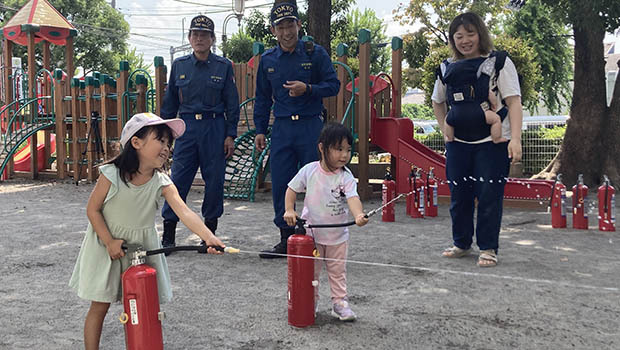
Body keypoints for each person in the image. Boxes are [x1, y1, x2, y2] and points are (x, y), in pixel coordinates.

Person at [69, 113, 225, 350]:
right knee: (99, 306)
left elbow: (184, 212)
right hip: (108, 246)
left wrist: (208, 237)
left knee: (140, 307)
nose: (166, 147)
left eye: (168, 143)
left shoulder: (161, 181)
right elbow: (92, 210)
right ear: (136, 142)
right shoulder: (112, 174)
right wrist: (109, 241)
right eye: (160, 140)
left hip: (142, 250)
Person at [431, 12, 523, 267]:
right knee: (459, 194)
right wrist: (444, 129)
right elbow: (437, 102)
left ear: (480, 34)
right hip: (458, 144)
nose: (465, 40)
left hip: (492, 144)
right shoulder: (446, 68)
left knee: (489, 194)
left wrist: (515, 139)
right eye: (458, 36)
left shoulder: (500, 62)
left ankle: (488, 247)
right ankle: (461, 242)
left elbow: (514, 102)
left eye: (470, 34)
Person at [254, 2, 341, 258]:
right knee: (282, 182)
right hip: (281, 128)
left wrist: (309, 88)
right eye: (280, 27)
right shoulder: (268, 59)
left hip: (310, 126)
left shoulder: (315, 53)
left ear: (299, 25)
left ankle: (318, 239)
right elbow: (261, 97)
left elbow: (333, 85)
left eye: (290, 25)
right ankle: (286, 239)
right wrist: (261, 129)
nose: (286, 32)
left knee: (317, 182)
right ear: (273, 30)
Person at [160, 15, 240, 252]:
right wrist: (165, 135)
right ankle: (169, 235)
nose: (199, 39)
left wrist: (230, 135)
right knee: (178, 181)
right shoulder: (180, 66)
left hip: (214, 129)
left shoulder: (223, 66)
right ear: (189, 38)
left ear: (212, 39)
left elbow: (231, 103)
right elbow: (169, 103)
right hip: (185, 129)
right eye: (195, 34)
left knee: (214, 182)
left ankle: (210, 236)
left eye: (204, 35)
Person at [283, 122, 368, 321]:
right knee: (310, 274)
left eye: (348, 150)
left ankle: (339, 304)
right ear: (322, 148)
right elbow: (291, 189)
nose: (344, 155)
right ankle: (308, 303)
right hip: (311, 236)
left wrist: (358, 215)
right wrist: (289, 209)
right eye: (338, 149)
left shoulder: (346, 176)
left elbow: (353, 198)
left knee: (338, 272)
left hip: (338, 237)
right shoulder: (309, 171)